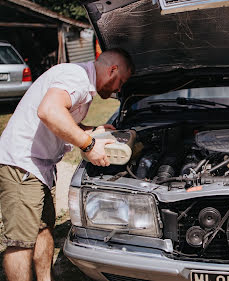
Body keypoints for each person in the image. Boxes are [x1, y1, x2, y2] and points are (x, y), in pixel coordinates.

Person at [0, 48, 134, 281]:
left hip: (39, 168)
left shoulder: (82, 82)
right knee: (20, 243)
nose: (118, 90)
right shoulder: (77, 77)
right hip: (21, 165)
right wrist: (89, 145)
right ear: (112, 70)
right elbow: (49, 111)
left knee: (43, 230)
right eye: (120, 82)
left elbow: (63, 121)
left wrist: (91, 131)